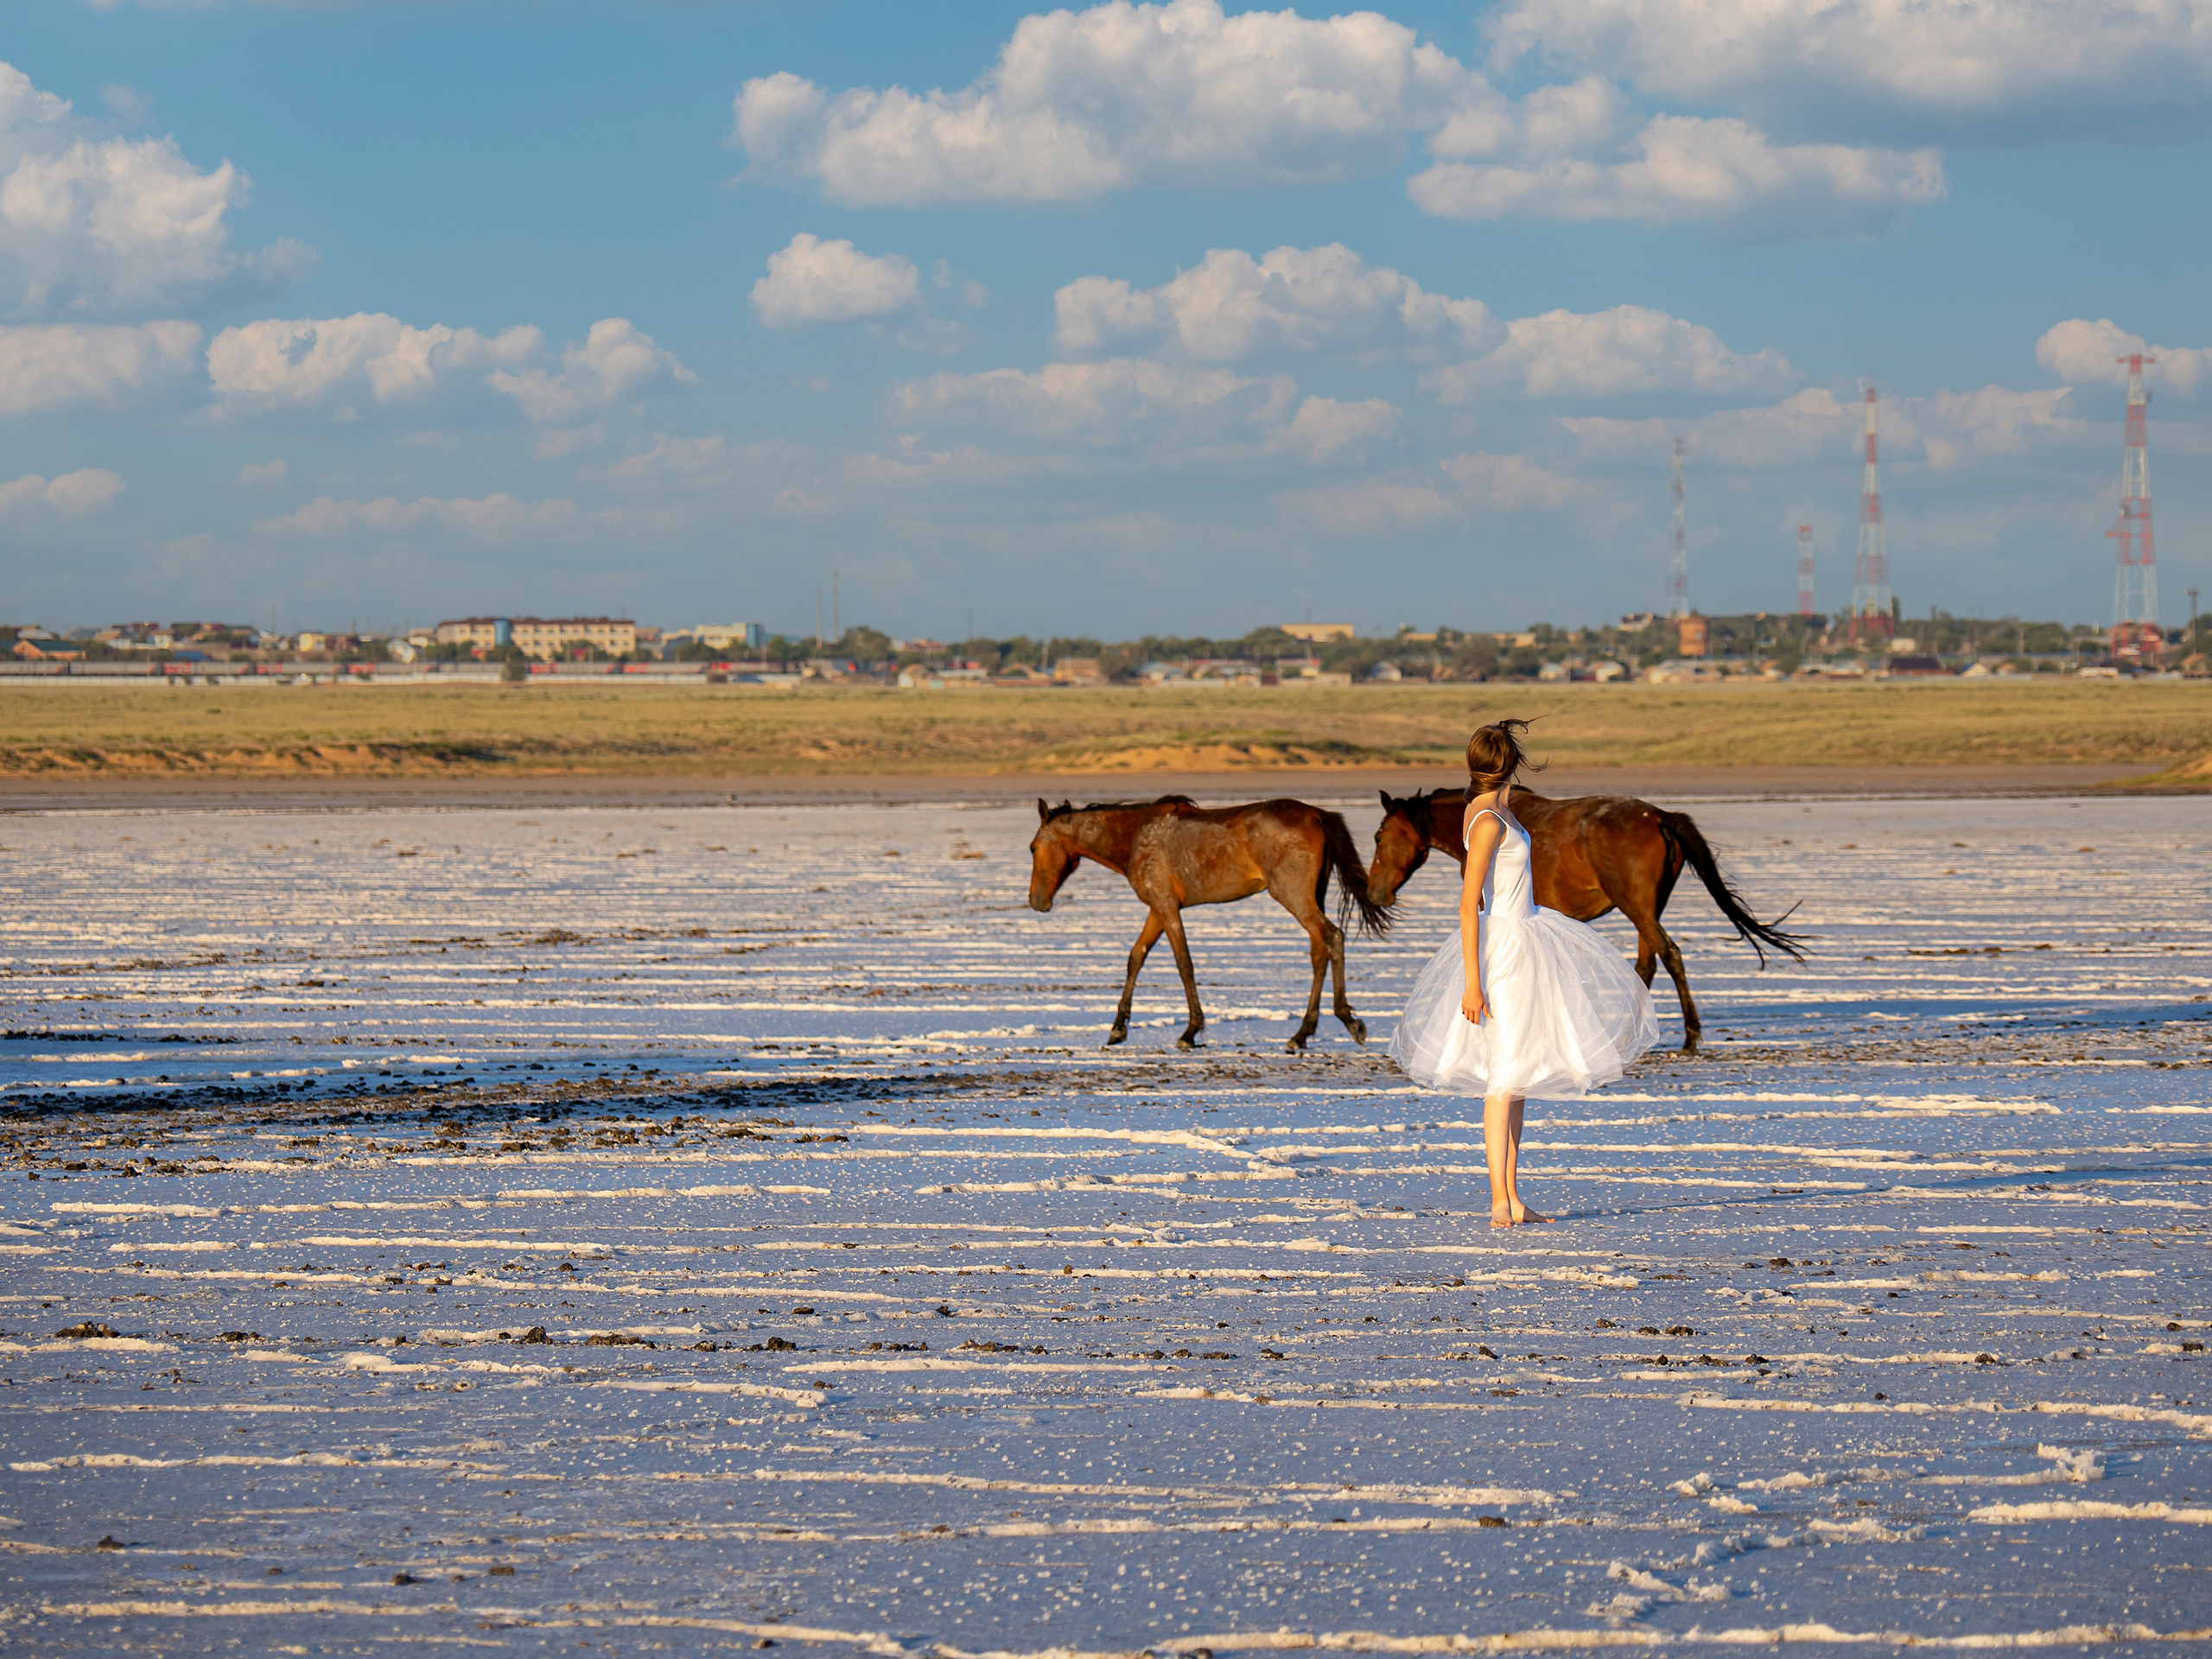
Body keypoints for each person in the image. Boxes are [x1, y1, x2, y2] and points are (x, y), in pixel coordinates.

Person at [1390, 720, 1659, 1226]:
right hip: (1507, 949)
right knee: (1502, 1079)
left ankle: (1513, 1198)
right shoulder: (1489, 819)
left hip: (1523, 938)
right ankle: (1498, 1201)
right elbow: (1469, 904)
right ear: (1509, 763)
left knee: (1515, 1080)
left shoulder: (1489, 809)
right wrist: (1472, 982)